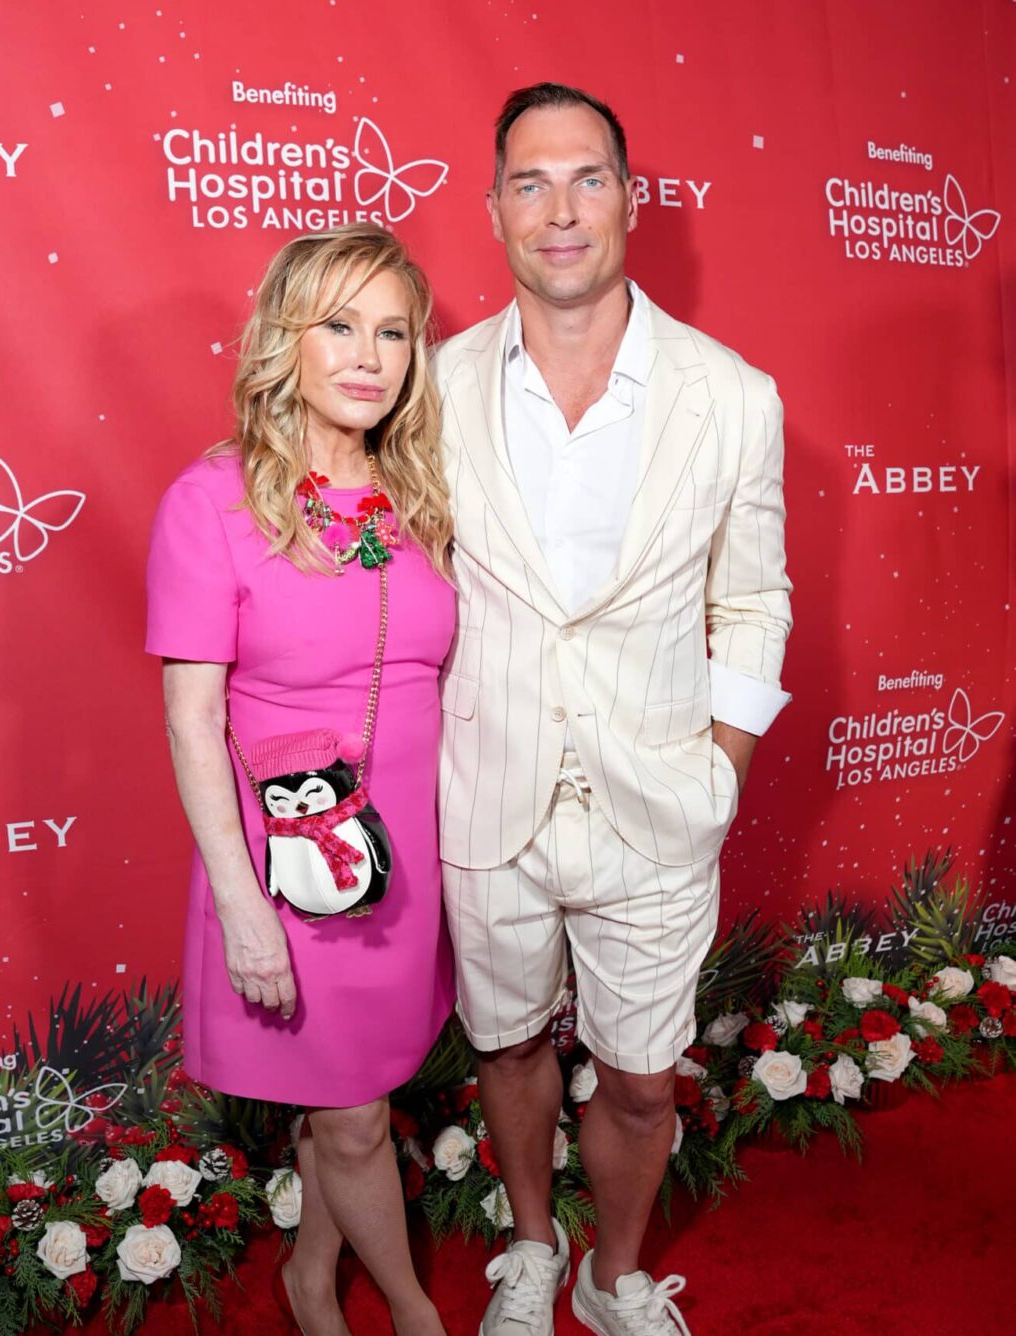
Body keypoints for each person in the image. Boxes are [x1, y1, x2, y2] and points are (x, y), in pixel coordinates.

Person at [432, 83, 793, 1336]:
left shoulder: (734, 395)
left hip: (657, 801)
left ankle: (614, 1270)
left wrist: (722, 764)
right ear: (493, 213)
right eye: (529, 184)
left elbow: (753, 603)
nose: (561, 210)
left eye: (587, 178)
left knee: (643, 1083)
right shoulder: (430, 390)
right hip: (490, 792)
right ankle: (534, 1250)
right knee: (510, 1046)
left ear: (632, 199)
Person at [146, 223, 454, 1336]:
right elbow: (191, 717)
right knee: (360, 1115)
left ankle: (309, 1279)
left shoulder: (418, 493)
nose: (369, 355)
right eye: (339, 325)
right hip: (293, 870)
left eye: (392, 330)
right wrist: (241, 907)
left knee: (350, 1104)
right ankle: (416, 1313)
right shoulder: (212, 499)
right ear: (286, 336)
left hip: (406, 862)